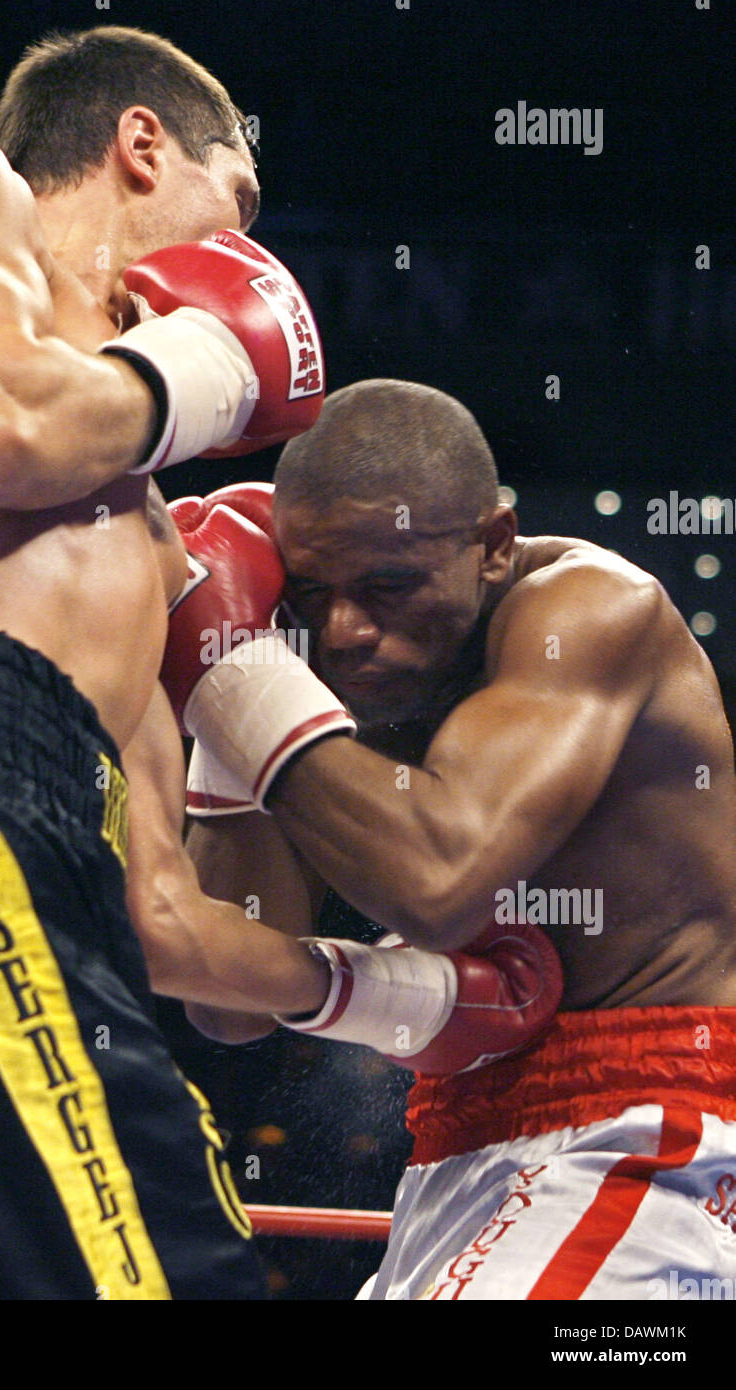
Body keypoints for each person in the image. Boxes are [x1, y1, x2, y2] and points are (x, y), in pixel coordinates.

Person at [0, 22, 353, 1302]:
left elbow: (169, 926)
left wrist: (401, 996)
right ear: (140, 144)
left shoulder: (139, 520)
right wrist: (211, 358)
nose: (251, 251)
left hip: (22, 874)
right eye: (236, 199)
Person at [168, 377, 736, 1300]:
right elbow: (227, 1005)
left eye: (390, 586)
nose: (348, 630)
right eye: (312, 593)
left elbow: (440, 881)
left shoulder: (589, 612)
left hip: (656, 1127)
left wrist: (231, 672)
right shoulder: (318, 655)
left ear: (494, 547)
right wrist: (241, 671)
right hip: (456, 1144)